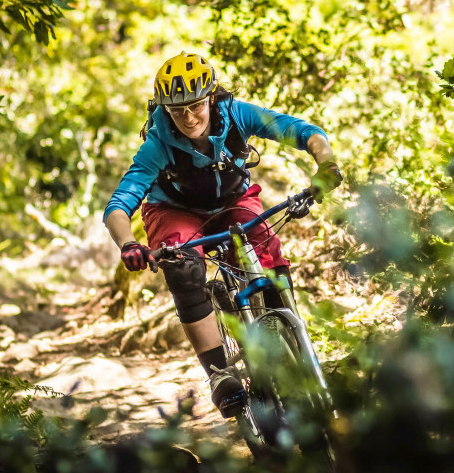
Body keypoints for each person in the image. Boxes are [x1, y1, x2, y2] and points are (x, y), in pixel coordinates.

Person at [104, 51, 342, 418]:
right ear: (163, 108)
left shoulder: (237, 115)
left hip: (233, 202)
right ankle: (219, 373)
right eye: (176, 109)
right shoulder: (158, 144)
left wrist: (326, 163)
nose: (187, 117)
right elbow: (119, 206)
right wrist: (128, 244)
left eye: (195, 105)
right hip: (174, 211)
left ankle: (292, 342)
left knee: (265, 246)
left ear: (211, 97)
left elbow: (302, 131)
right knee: (182, 267)